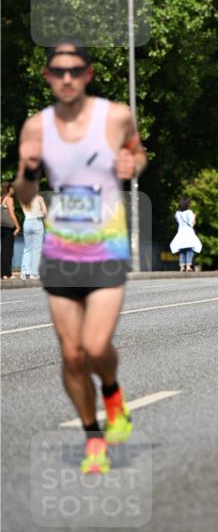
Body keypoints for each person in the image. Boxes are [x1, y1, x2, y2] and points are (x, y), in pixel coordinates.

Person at [14, 41, 147, 474]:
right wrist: (29, 171)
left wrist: (133, 166)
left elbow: (137, 152)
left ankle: (111, 391)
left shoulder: (116, 116)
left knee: (94, 345)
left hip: (106, 248)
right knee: (71, 354)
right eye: (58, 71)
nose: (66, 78)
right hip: (60, 250)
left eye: (75, 71)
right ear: (48, 77)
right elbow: (26, 194)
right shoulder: (36, 128)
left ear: (88, 74)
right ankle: (94, 436)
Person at [170, 196, 202, 272]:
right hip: (188, 233)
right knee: (189, 250)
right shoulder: (189, 212)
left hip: (180, 233)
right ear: (187, 204)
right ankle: (188, 266)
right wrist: (194, 217)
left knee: (182, 250)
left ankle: (181, 267)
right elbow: (192, 224)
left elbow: (179, 223)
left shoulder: (177, 213)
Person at [20, 191, 48, 279]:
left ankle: (24, 272)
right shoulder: (39, 198)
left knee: (27, 248)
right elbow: (45, 212)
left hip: (26, 222)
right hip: (36, 222)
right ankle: (34, 273)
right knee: (36, 249)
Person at [1, 182, 21, 278]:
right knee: (8, 251)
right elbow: (12, 215)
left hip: (2, 227)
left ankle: (2, 273)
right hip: (9, 227)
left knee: (3, 250)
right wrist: (18, 226)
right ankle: (7, 274)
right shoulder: (9, 199)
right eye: (12, 188)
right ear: (9, 189)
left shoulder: (1, 199)